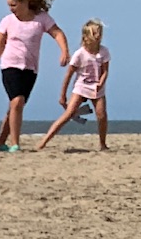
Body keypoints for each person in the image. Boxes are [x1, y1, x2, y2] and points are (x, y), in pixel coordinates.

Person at [0, 0, 69, 152]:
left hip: (30, 69)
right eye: (9, 5)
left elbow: (57, 33)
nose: (11, 9)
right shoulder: (7, 21)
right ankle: (15, 143)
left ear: (25, 3)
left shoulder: (41, 19)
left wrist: (64, 51)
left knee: (15, 107)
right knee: (17, 101)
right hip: (9, 66)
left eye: (14, 5)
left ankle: (1, 142)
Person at [36, 20, 111, 152]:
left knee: (102, 115)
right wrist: (62, 95)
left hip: (97, 88)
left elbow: (105, 70)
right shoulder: (80, 54)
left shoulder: (103, 52)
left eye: (100, 32)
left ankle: (102, 143)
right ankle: (44, 141)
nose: (98, 35)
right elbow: (68, 75)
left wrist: (101, 82)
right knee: (68, 114)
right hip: (81, 86)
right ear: (87, 35)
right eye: (95, 32)